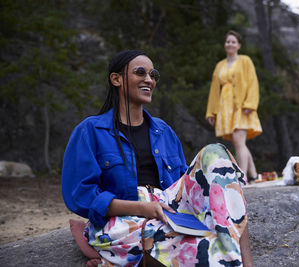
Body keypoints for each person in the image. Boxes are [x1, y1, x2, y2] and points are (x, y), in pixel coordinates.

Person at [62, 50, 253, 267]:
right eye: (140, 72)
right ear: (116, 79)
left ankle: (242, 260)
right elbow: (81, 196)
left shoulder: (164, 132)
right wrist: (143, 208)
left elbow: (184, 186)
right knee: (205, 254)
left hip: (169, 211)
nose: (149, 79)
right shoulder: (90, 131)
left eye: (153, 74)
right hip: (124, 220)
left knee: (217, 154)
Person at [206, 30, 262, 183]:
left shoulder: (245, 61)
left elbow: (252, 82)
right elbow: (214, 90)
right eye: (227, 42)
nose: (230, 44)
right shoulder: (220, 65)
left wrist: (250, 103)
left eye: (233, 42)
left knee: (238, 141)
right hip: (225, 108)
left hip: (241, 106)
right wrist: (212, 112)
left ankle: (241, 177)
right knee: (239, 143)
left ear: (239, 45)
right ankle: (253, 175)